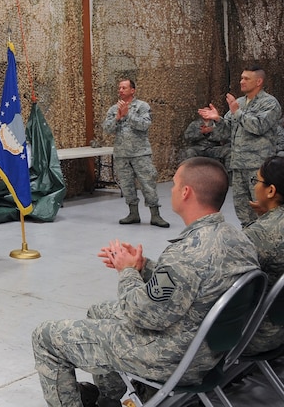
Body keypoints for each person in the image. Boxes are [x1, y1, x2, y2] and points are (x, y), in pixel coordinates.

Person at [31, 157, 259, 407]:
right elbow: (190, 284)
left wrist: (127, 271)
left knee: (45, 337)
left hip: (171, 355)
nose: (170, 191)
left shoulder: (186, 253)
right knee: (98, 311)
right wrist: (143, 266)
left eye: (174, 184)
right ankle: (110, 399)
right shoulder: (237, 239)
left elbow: (142, 314)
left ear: (186, 192)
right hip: (207, 351)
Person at [199, 65, 281, 227]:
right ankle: (249, 242)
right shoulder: (240, 103)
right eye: (241, 78)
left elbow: (259, 127)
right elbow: (227, 130)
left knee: (264, 211)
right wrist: (217, 120)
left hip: (258, 168)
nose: (241, 81)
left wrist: (237, 112)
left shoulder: (270, 104)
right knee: (243, 210)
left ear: (259, 81)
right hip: (238, 166)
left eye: (246, 79)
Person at [102, 78, 169, 227]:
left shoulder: (142, 106)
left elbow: (145, 125)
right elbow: (107, 129)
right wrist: (118, 118)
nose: (120, 90)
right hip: (122, 154)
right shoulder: (114, 109)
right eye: (119, 88)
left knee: (148, 184)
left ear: (132, 90)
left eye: (124, 88)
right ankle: (133, 214)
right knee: (127, 185)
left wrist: (128, 115)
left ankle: (155, 215)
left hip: (140, 153)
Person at [242, 155, 284, 355]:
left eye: (257, 181)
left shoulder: (259, 234)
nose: (255, 186)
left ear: (271, 190)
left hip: (261, 333)